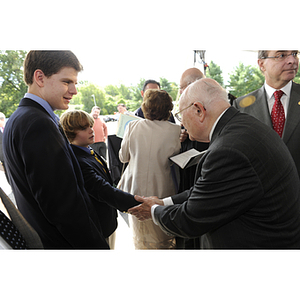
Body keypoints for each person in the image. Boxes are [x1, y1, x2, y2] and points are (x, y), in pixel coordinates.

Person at [129, 78, 300, 249]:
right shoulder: (243, 126)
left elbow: (190, 219)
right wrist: (164, 202)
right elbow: (207, 191)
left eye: (181, 114)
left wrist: (152, 210)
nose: (182, 123)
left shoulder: (228, 151)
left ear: (198, 110)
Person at [3, 50, 109, 249]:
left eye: (75, 83)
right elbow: (63, 206)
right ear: (40, 77)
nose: (74, 90)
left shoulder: (19, 118)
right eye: (66, 82)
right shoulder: (38, 123)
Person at [60, 110, 140, 249]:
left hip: (108, 220)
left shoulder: (87, 150)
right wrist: (136, 202)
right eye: (84, 128)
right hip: (99, 225)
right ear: (70, 132)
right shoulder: (78, 160)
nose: (91, 130)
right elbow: (101, 189)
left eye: (90, 126)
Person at [118, 89, 181, 249]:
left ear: (145, 107)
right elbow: (175, 157)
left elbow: (123, 157)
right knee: (162, 233)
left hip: (135, 190)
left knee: (141, 235)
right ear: (168, 109)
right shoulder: (175, 130)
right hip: (162, 189)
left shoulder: (132, 125)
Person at [232, 50, 300, 178]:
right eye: (281, 55)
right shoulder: (241, 106)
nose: (292, 60)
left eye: (294, 53)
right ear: (261, 64)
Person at [176, 68, 209, 249]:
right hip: (189, 169)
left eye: (181, 87)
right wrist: (185, 133)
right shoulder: (188, 104)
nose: (180, 92)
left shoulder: (207, 103)